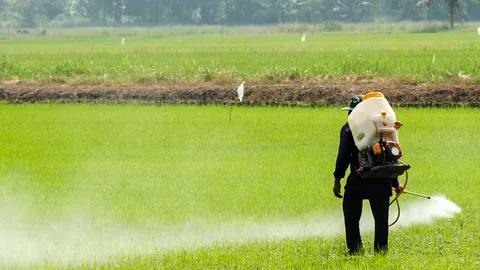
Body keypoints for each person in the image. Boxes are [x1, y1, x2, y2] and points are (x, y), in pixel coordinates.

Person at [333, 94, 402, 255]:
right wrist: (394, 182)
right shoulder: (382, 127)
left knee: (351, 216)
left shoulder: (348, 128)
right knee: (381, 220)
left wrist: (337, 179)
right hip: (382, 180)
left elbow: (343, 155)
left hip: (359, 179)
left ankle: (355, 250)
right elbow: (391, 156)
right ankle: (381, 251)